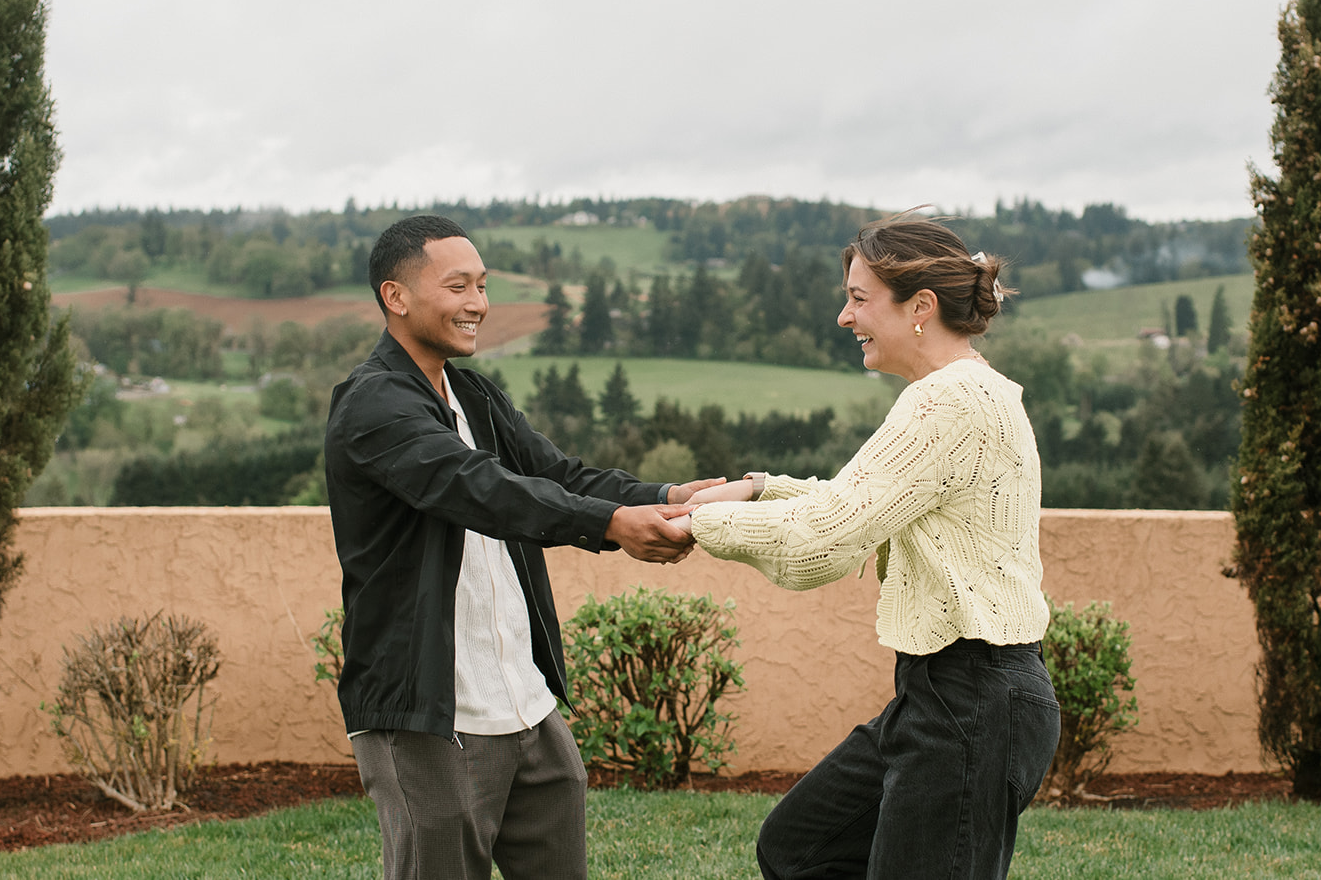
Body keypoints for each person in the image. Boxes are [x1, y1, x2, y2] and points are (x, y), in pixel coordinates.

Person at [324, 214, 707, 880]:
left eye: (482, 285)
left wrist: (670, 494)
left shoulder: (473, 393)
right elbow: (483, 490)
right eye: (458, 286)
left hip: (525, 704)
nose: (478, 303)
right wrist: (613, 526)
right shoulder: (372, 405)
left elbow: (557, 475)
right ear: (397, 296)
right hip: (428, 713)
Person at [681, 215, 1060, 880]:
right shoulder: (961, 395)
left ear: (920, 308)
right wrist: (757, 490)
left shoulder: (950, 401)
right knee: (800, 846)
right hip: (944, 694)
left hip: (973, 699)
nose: (842, 316)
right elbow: (860, 501)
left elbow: (823, 541)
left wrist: (692, 528)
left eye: (858, 299)